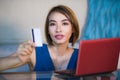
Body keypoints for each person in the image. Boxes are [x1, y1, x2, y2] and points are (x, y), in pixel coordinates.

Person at [0, 5, 80, 72]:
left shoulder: (80, 55)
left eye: (64, 23)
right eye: (52, 24)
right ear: (48, 30)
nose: (58, 29)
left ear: (73, 28)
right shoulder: (34, 51)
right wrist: (18, 59)